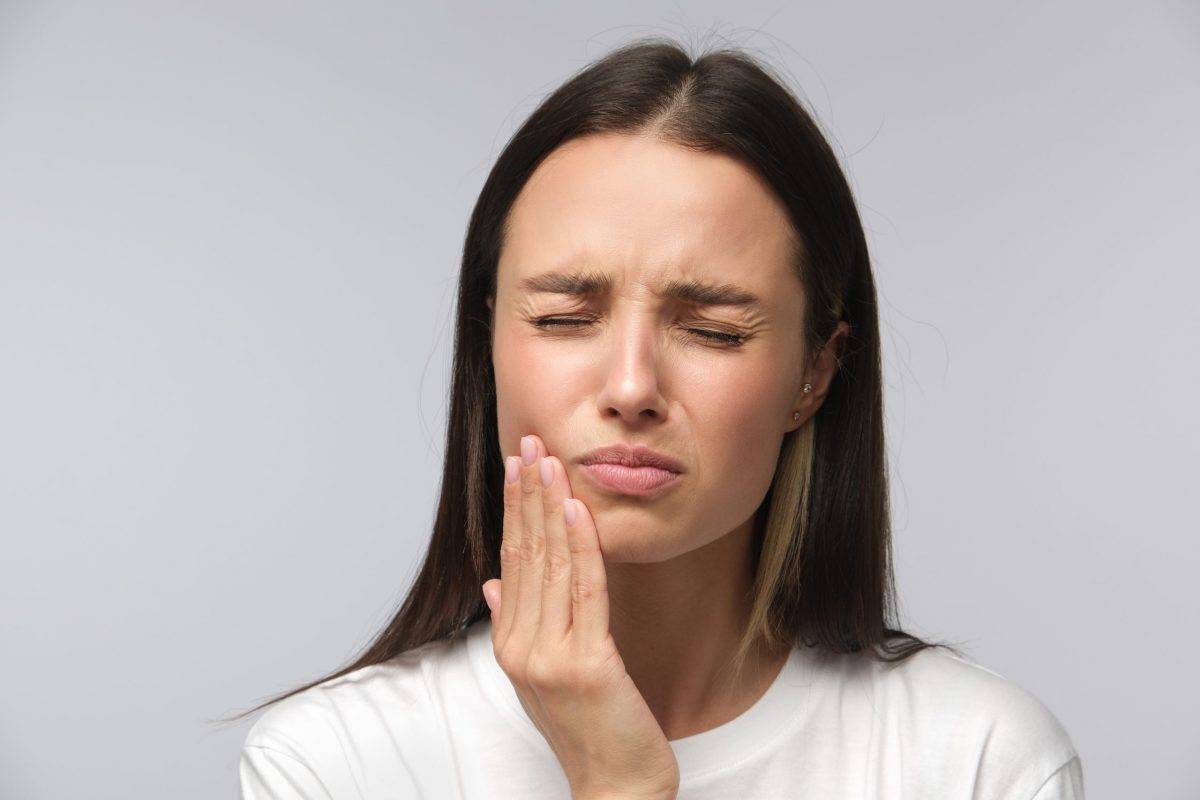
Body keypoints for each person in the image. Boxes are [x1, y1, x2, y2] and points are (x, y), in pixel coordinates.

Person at [230, 37, 1083, 799]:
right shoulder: (333, 763)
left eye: (712, 330)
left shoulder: (980, 760)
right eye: (566, 318)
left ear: (814, 372)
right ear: (486, 341)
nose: (632, 386)